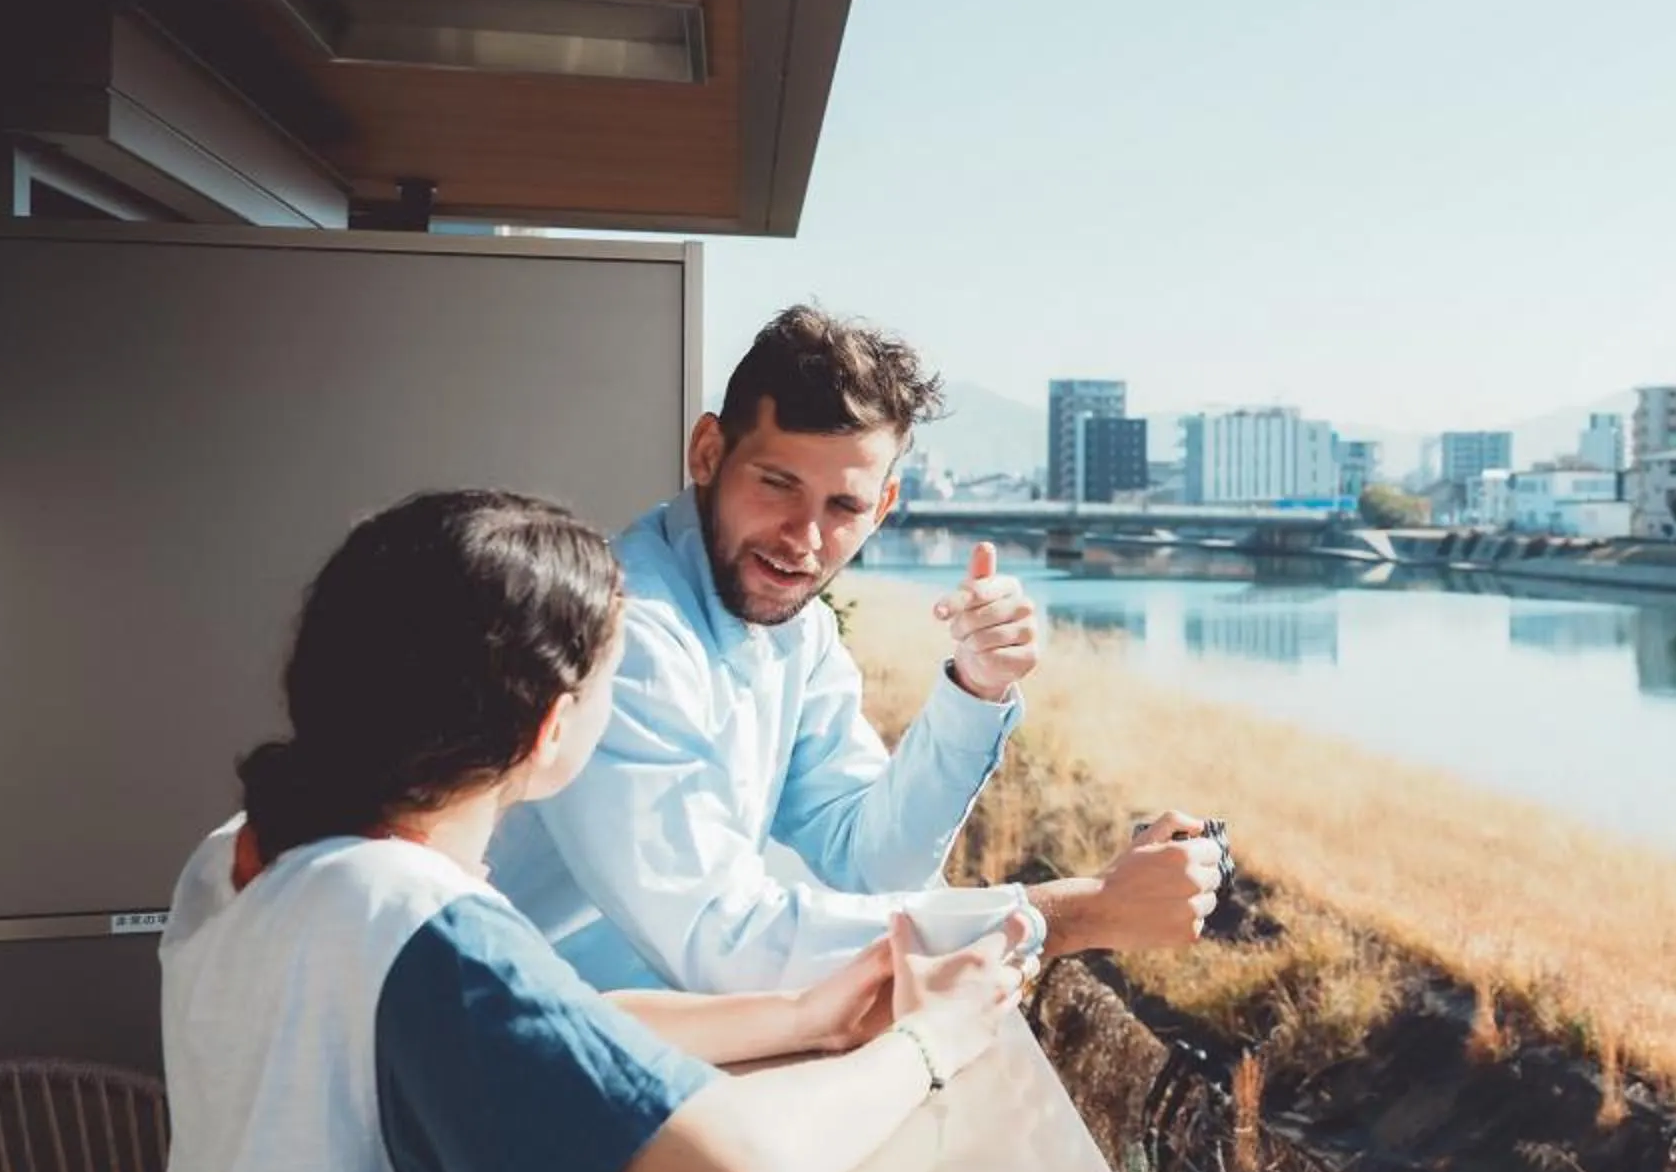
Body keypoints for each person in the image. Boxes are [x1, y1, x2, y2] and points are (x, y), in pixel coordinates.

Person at [141, 491, 1031, 1172]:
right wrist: (930, 1041)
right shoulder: (418, 921)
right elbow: (740, 1170)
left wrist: (796, 1013)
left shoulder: (256, 855)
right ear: (553, 730)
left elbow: (541, 1028)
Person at [487, 305, 1222, 995]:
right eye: (778, 485)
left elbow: (872, 864)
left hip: (632, 1036)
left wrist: (975, 687)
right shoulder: (627, 630)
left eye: (843, 507)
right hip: (506, 1065)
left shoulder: (797, 632)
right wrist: (1071, 914)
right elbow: (720, 938)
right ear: (708, 452)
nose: (803, 540)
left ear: (886, 507)